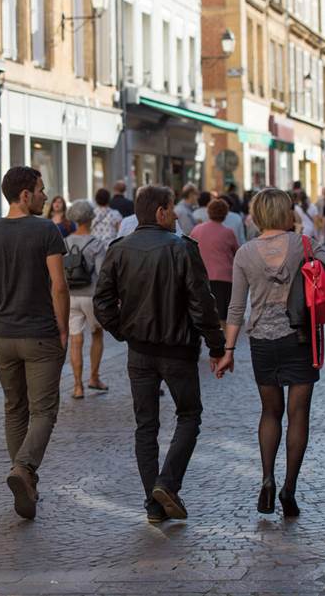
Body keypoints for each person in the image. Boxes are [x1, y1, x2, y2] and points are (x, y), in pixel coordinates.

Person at [94, 185, 226, 524]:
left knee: (146, 425)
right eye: (172, 209)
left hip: (140, 351)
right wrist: (216, 345)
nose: (177, 215)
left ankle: (154, 501)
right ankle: (166, 484)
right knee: (189, 414)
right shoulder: (182, 249)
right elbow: (202, 303)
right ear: (160, 212)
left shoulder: (120, 249)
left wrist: (124, 331)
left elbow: (103, 302)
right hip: (177, 349)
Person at [217, 188, 325, 518]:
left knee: (270, 413)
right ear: (286, 212)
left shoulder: (245, 253)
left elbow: (235, 307)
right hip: (299, 338)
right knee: (298, 414)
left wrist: (228, 350)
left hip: (262, 340)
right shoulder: (304, 245)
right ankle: (290, 489)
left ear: (258, 214)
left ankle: (266, 481)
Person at [0, 167, 69, 520]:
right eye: (41, 190)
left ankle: (27, 480)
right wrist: (62, 327)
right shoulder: (46, 230)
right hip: (40, 333)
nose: (44, 196)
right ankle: (23, 468)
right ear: (25, 195)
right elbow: (59, 285)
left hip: (4, 336)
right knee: (44, 411)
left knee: (15, 408)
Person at [64, 200, 108, 400]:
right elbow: (101, 274)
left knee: (75, 340)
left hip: (71, 296)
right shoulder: (97, 243)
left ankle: (77, 386)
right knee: (97, 334)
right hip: (90, 295)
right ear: (91, 218)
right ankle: (94, 377)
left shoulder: (64, 242)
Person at [190, 198, 240, 326]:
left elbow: (190, 251)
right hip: (224, 278)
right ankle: (223, 343)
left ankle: (209, 342)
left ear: (209, 212)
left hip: (202, 278)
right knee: (222, 316)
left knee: (205, 314)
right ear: (225, 213)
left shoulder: (196, 230)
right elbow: (237, 253)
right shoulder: (228, 233)